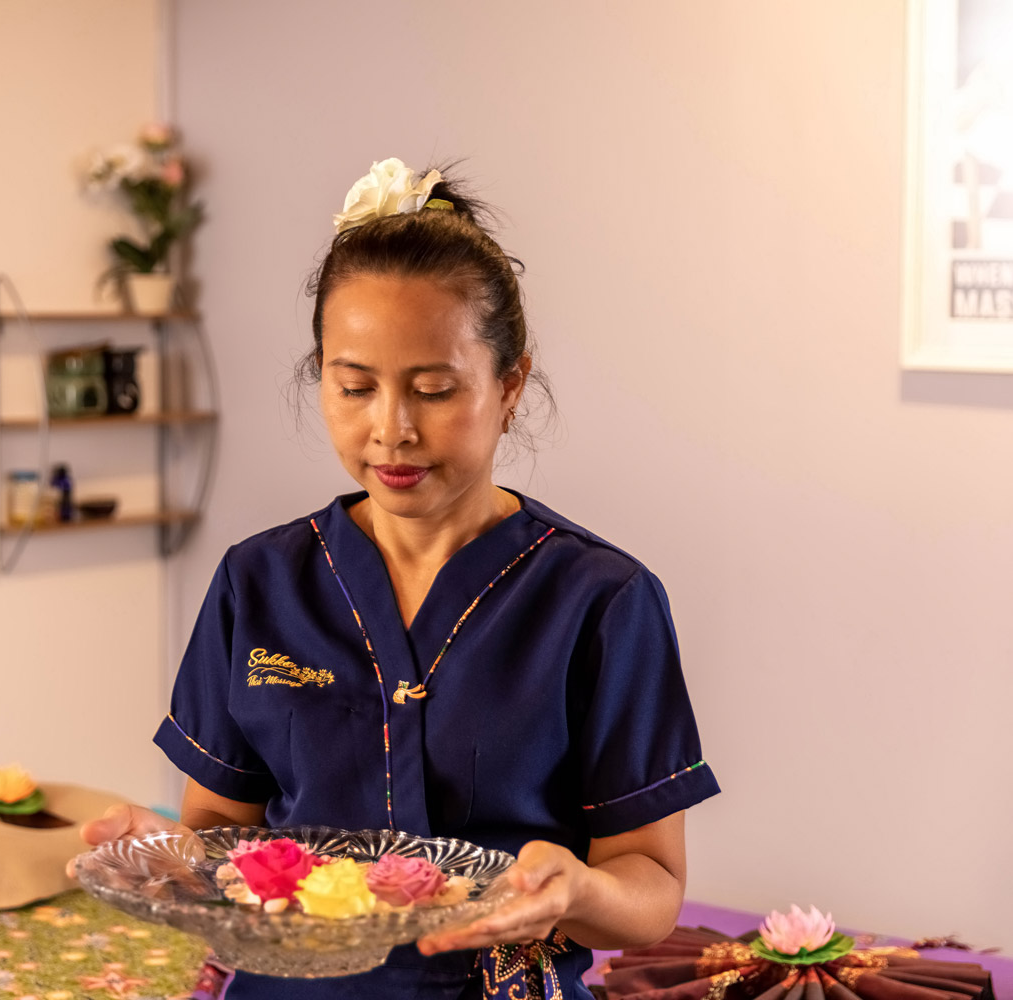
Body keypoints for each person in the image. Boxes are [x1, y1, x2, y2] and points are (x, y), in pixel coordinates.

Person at [79, 158, 721, 1000]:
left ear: (511, 385)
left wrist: (579, 892)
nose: (392, 429)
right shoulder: (257, 582)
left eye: (435, 390)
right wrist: (162, 856)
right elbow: (222, 838)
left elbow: (652, 888)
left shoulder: (601, 600)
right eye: (355, 387)